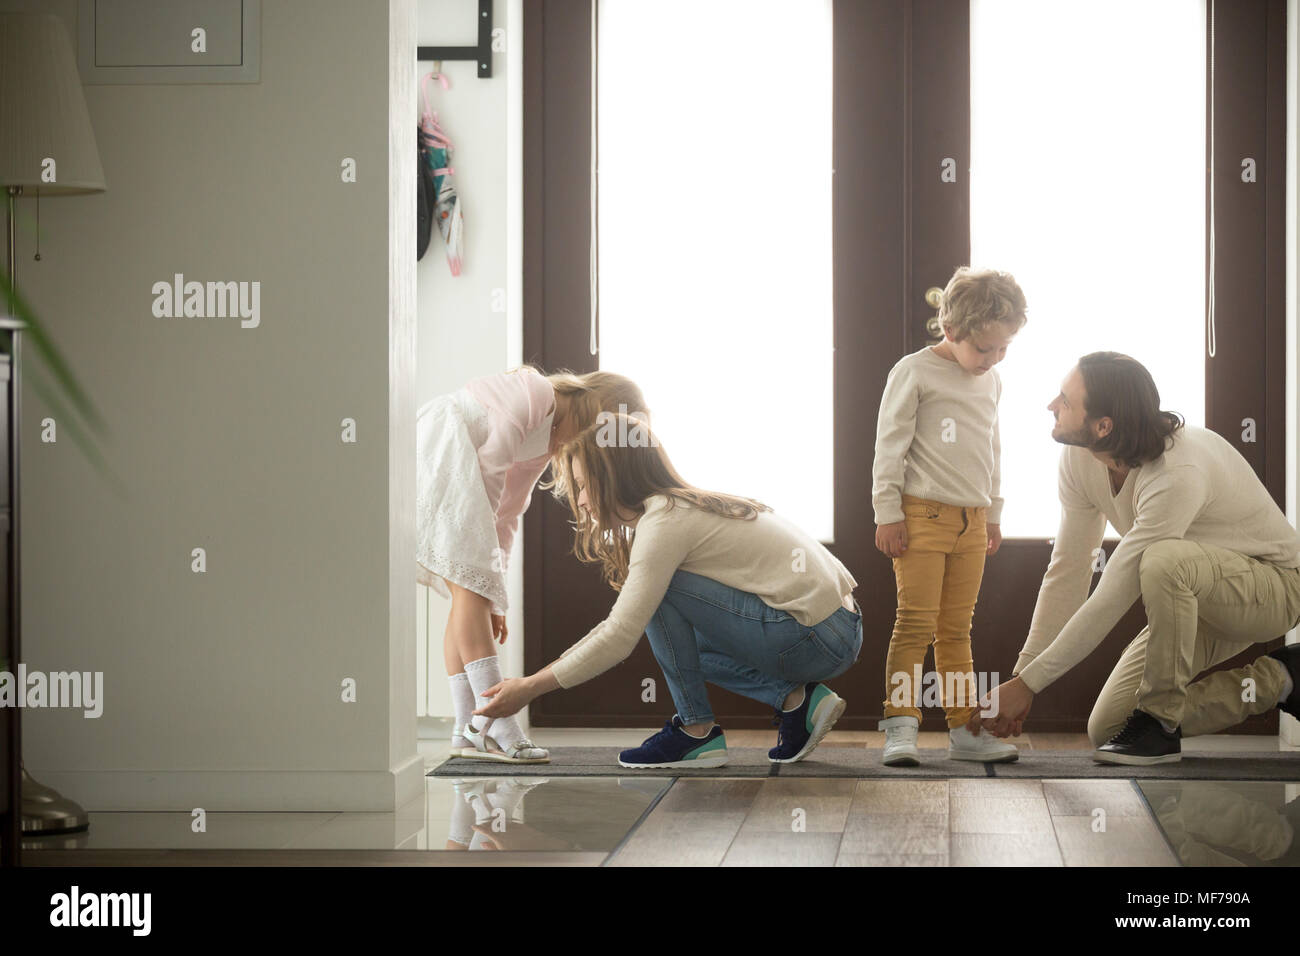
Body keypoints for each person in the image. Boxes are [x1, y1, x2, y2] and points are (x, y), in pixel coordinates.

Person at [471, 413, 862, 769]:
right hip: (837, 628)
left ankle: (696, 733)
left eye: (583, 485)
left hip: (816, 636)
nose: (583, 501)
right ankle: (796, 701)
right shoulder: (679, 506)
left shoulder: (665, 523)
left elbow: (618, 635)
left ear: (613, 477)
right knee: (684, 647)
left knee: (661, 593)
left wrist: (529, 688)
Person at [976, 351, 1300, 764]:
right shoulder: (1081, 458)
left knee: (1162, 560)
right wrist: (1023, 678)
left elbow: (1116, 590)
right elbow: (1070, 569)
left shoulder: (1178, 470)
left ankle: (1160, 726)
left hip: (1272, 588)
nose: (1051, 406)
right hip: (1194, 592)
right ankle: (1284, 679)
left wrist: (1032, 685)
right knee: (1109, 728)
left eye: (1065, 401)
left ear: (1103, 426)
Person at [416, 366, 648, 763]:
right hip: (442, 449)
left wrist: (498, 598)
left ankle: (466, 730)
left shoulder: (549, 445)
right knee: (471, 588)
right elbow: (490, 467)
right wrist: (483, 569)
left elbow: (509, 509)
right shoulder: (536, 392)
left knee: (468, 593)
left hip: (465, 472)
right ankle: (499, 725)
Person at [871, 266, 1027, 765]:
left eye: (1003, 348)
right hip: (922, 516)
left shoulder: (992, 381)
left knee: (957, 629)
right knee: (914, 623)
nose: (993, 359)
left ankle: (964, 728)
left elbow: (992, 449)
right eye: (984, 349)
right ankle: (901, 726)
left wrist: (994, 512)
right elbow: (889, 448)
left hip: (973, 520)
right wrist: (887, 512)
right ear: (951, 330)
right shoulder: (914, 372)